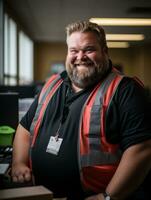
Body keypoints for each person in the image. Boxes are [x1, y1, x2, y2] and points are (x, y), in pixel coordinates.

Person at [11, 20, 151, 200]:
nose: (80, 56)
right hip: (39, 194)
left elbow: (142, 150)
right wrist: (18, 163)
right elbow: (24, 128)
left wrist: (108, 197)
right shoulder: (52, 84)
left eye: (89, 49)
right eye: (74, 51)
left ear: (105, 52)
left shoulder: (125, 90)